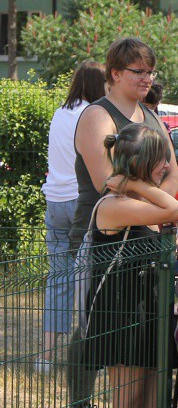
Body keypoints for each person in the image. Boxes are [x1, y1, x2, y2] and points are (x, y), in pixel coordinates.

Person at [63, 38, 178, 408]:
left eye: (151, 72)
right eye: (139, 72)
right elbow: (107, 183)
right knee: (106, 346)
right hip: (107, 244)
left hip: (148, 245)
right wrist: (156, 200)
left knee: (147, 374)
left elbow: (173, 173)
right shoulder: (98, 116)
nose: (148, 78)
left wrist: (158, 203)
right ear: (115, 73)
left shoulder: (149, 113)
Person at [73, 124, 178, 408]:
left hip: (148, 312)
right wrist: (131, 183)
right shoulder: (113, 204)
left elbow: (169, 206)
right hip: (121, 314)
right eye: (161, 161)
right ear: (145, 164)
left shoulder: (136, 199)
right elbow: (176, 208)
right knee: (126, 406)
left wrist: (133, 181)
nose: (166, 168)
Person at [37, 61, 106, 377]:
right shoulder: (93, 116)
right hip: (80, 203)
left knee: (59, 279)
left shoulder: (59, 112)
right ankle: (88, 356)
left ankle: (46, 358)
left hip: (54, 201)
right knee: (86, 283)